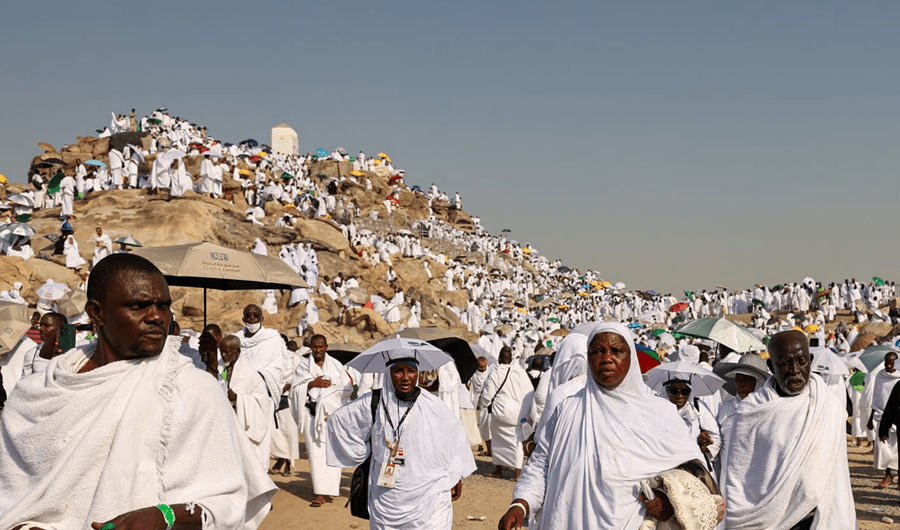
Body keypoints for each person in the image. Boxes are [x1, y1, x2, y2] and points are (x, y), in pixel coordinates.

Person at [0, 253, 276, 530]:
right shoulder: (36, 395)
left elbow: (227, 501)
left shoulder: (194, 389)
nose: (157, 317)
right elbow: (12, 501)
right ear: (96, 313)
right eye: (139, 306)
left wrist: (165, 517)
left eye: (164, 306)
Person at [499, 322, 720, 530]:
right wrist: (520, 504)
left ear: (630, 357)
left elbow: (697, 473)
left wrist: (670, 500)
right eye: (597, 351)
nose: (606, 359)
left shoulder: (660, 413)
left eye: (616, 351)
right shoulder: (566, 409)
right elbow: (540, 466)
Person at [719, 330, 856, 529]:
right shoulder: (751, 411)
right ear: (771, 366)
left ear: (810, 360)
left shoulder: (829, 405)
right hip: (768, 520)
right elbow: (739, 477)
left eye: (801, 361)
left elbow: (837, 474)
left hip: (817, 517)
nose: (795, 370)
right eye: (784, 363)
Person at [327, 354, 476, 530]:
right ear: (388, 374)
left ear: (418, 373)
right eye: (398, 371)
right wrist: (364, 451)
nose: (405, 377)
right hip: (387, 499)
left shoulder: (433, 405)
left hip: (431, 495)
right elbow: (338, 421)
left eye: (411, 371)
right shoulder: (373, 402)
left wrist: (455, 475)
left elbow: (453, 438)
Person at [289, 334, 350, 506]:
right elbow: (294, 390)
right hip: (312, 415)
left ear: (326, 347)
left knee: (332, 451)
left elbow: (347, 389)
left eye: (321, 346)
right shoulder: (303, 366)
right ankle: (320, 492)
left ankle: (331, 488)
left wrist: (329, 396)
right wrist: (311, 384)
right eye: (315, 347)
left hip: (331, 416)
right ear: (311, 348)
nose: (318, 350)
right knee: (315, 454)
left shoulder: (336, 366)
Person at [221, 334, 275, 471]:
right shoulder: (221, 370)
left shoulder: (251, 375)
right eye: (221, 351)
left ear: (237, 351)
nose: (223, 355)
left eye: (227, 352)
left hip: (244, 424)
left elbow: (264, 402)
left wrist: (238, 398)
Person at [478, 346, 532, 479]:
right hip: (517, 413)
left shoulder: (496, 372)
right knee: (516, 443)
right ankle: (517, 472)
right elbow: (530, 393)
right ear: (511, 358)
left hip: (501, 413)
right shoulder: (520, 372)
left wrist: (481, 405)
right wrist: (527, 413)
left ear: (500, 358)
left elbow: (488, 394)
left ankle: (498, 470)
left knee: (498, 441)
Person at [868, 352, 900, 488]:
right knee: (883, 448)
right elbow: (876, 398)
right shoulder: (879, 376)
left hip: (897, 418)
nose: (888, 366)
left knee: (897, 449)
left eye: (892, 364)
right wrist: (870, 418)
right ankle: (887, 474)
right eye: (886, 363)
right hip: (882, 416)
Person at [21, 312, 67, 377]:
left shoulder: (74, 353)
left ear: (61, 328)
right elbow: (25, 381)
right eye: (41, 325)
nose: (41, 329)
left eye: (46, 326)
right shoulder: (32, 354)